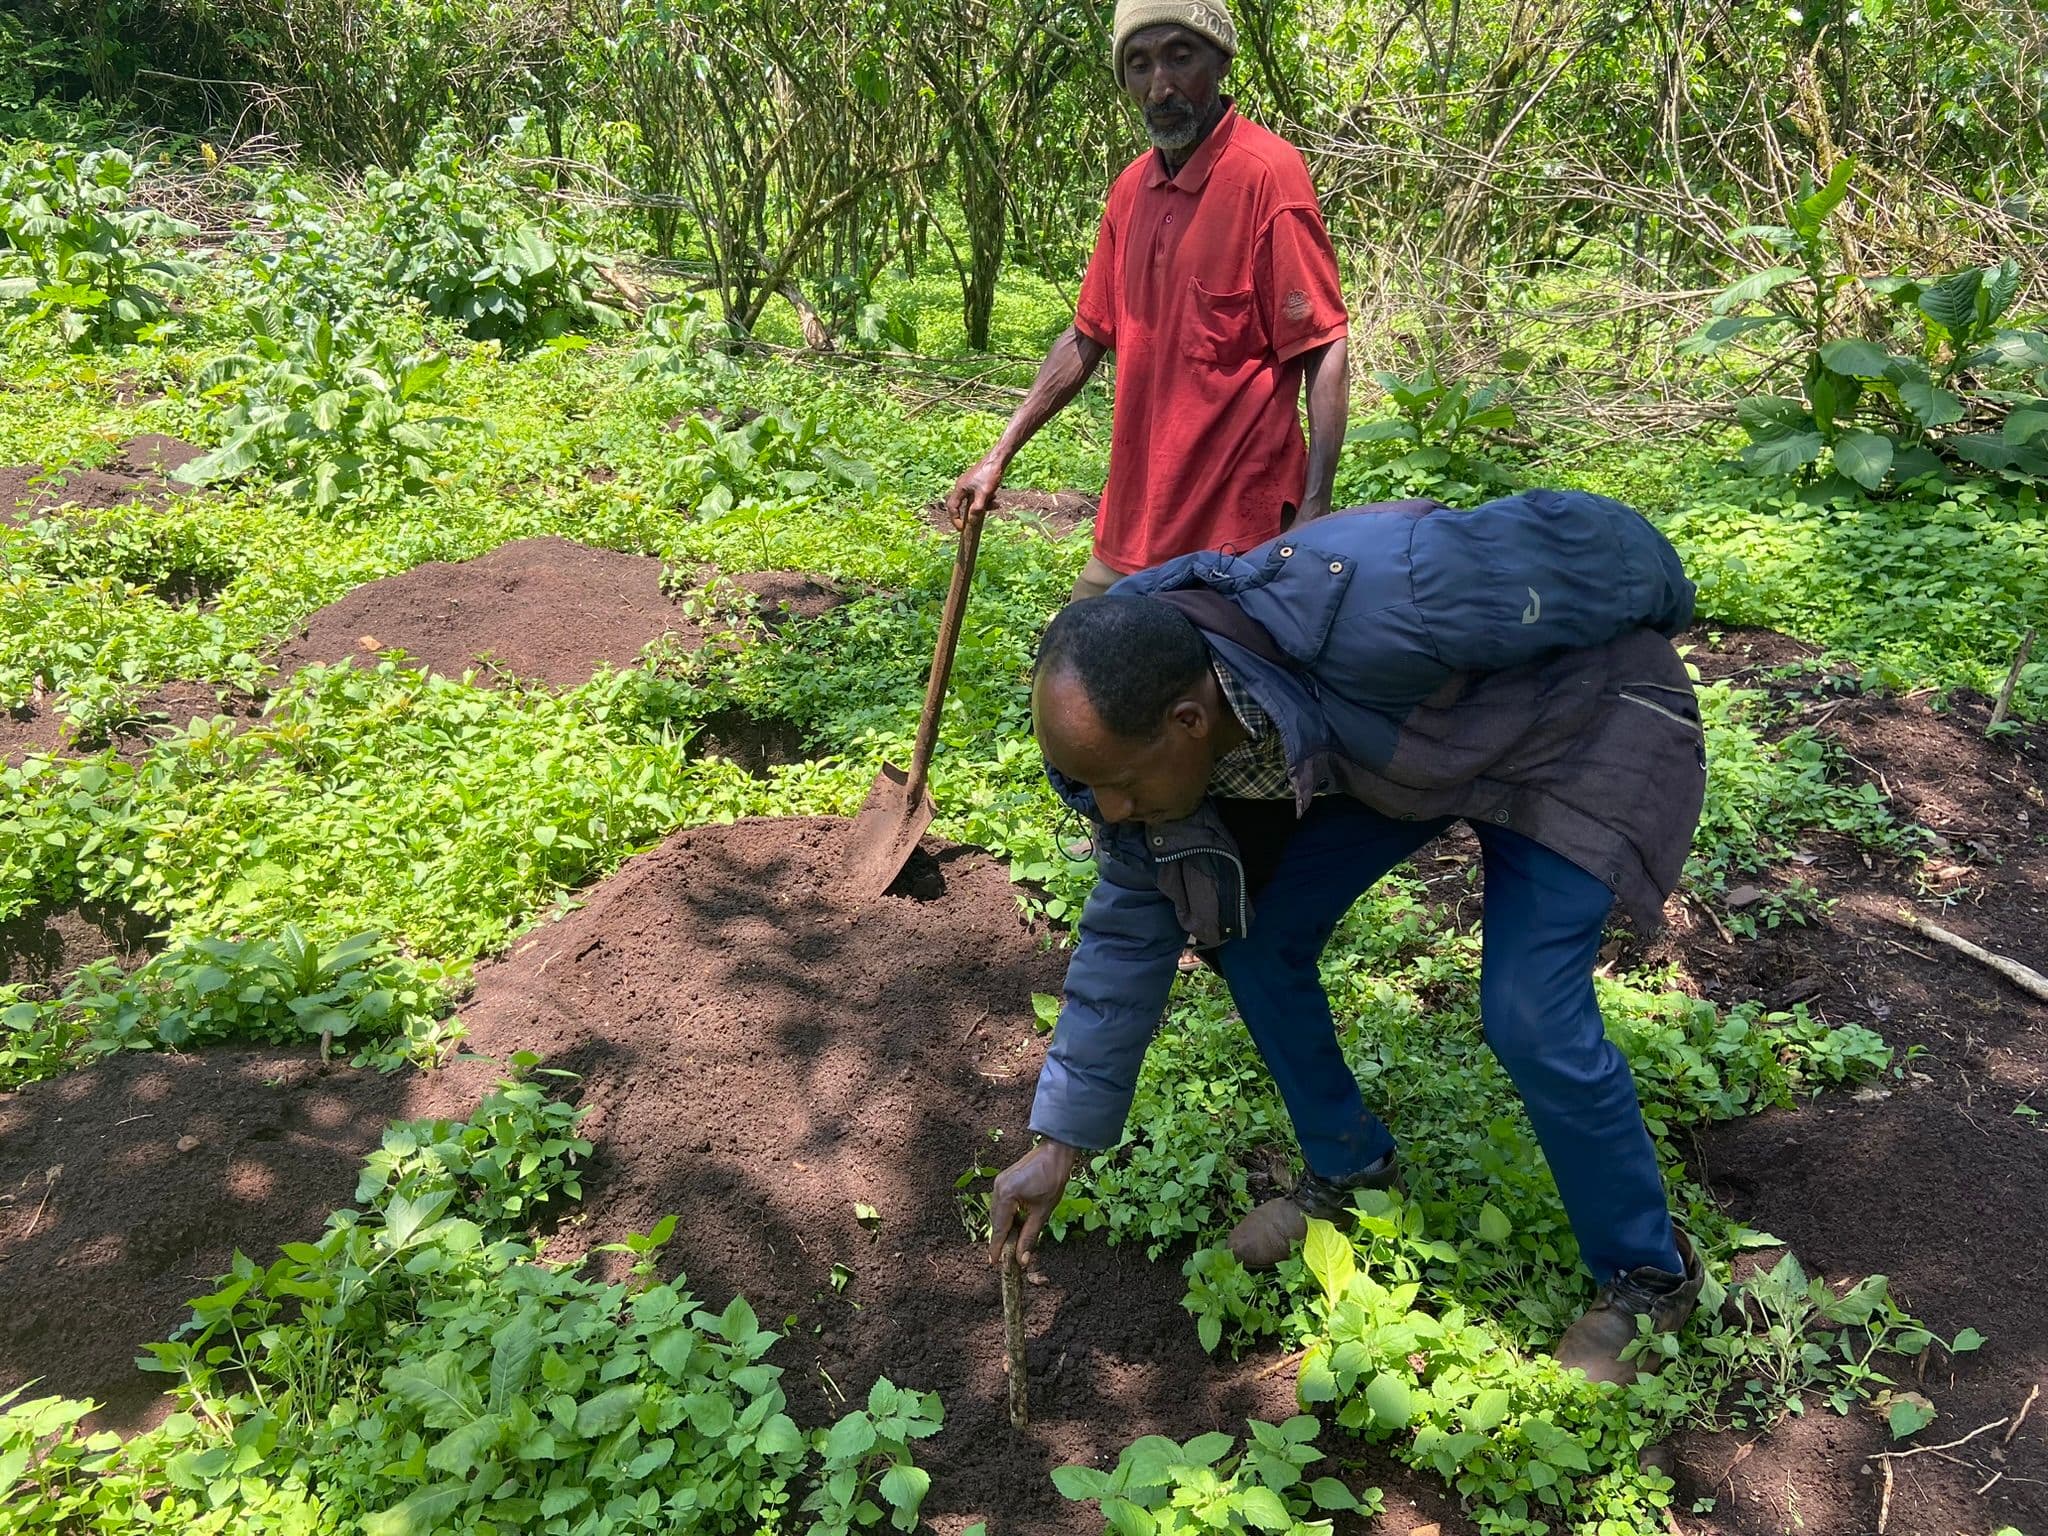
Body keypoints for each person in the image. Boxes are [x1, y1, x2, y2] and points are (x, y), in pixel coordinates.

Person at [986, 490, 1711, 1385]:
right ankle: (1352, 1169)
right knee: (1250, 937)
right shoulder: (1140, 751)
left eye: (1123, 784)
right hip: (1406, 762)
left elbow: (1594, 550)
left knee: (1530, 1013)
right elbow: (1120, 946)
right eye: (1092, 788)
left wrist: (1672, 598)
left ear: (1188, 721)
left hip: (1581, 736)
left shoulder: (1384, 596)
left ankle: (1647, 1275)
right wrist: (1060, 1140)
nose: (1114, 810)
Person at [945, 0, 1350, 601]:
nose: (1160, 85)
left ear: (1219, 61)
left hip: (1235, 537)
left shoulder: (1268, 175)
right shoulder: (1131, 189)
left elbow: (1323, 345)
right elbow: (1087, 336)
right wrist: (997, 455)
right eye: (1139, 64)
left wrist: (1315, 507)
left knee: (1201, 692)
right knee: (1070, 671)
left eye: (1179, 57)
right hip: (1132, 523)